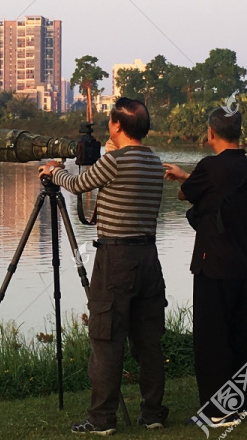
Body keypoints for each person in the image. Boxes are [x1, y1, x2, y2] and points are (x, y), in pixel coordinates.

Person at [39, 97, 168, 435]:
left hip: (116, 258)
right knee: (148, 341)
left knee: (106, 339)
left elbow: (78, 185)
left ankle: (101, 420)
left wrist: (55, 170)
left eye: (111, 121)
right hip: (149, 258)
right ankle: (153, 413)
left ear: (117, 126)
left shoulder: (115, 162)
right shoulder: (154, 162)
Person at [163, 107, 247, 427]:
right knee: (235, 335)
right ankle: (237, 403)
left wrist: (183, 179)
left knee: (211, 340)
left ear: (210, 133)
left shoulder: (208, 167)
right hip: (241, 263)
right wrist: (189, 178)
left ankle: (217, 412)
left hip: (211, 265)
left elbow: (183, 195)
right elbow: (218, 191)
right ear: (239, 132)